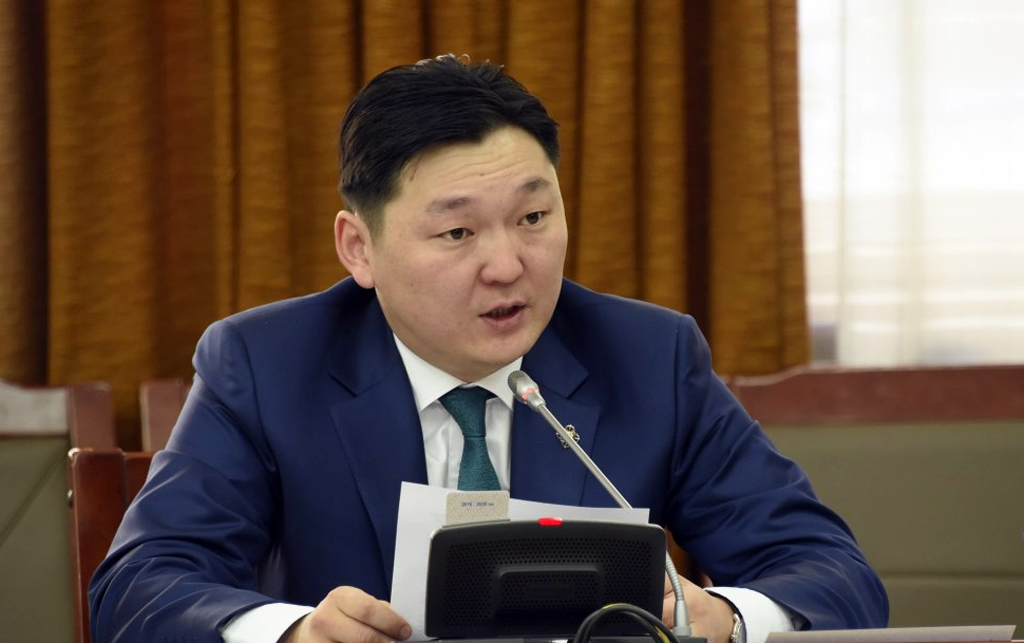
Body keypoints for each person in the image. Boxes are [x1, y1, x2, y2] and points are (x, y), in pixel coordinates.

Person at [89, 54, 888, 643]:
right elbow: (139, 587)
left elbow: (831, 571)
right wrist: (292, 632)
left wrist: (729, 617)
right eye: (458, 231)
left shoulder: (650, 357)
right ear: (359, 248)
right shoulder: (266, 366)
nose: (507, 264)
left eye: (533, 218)